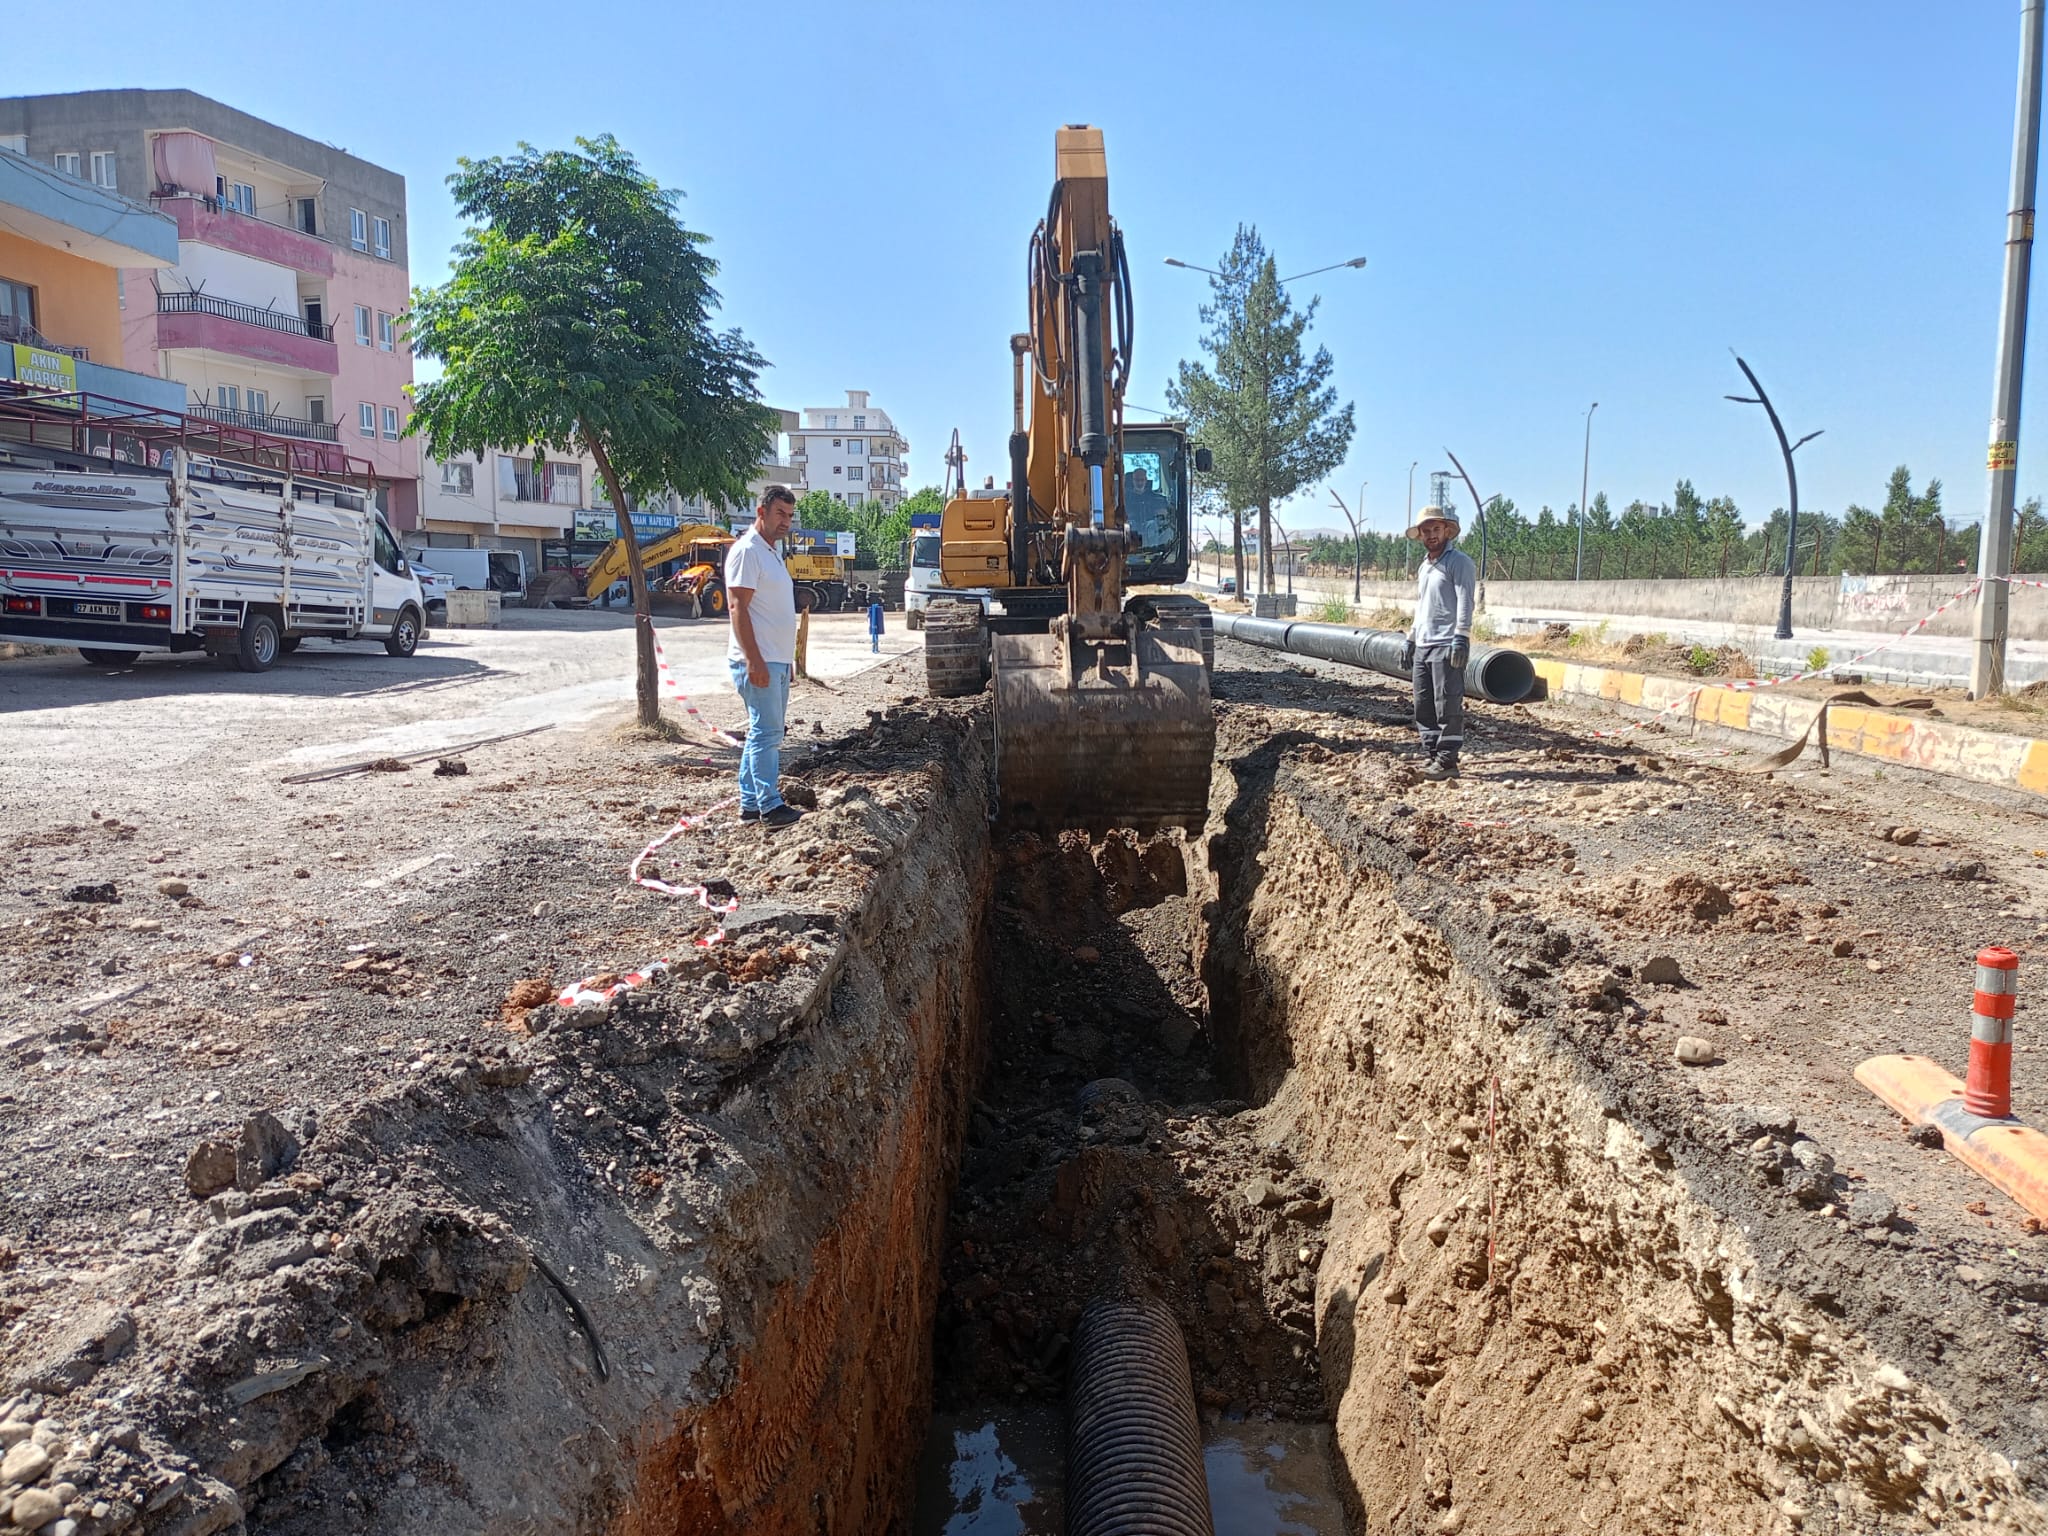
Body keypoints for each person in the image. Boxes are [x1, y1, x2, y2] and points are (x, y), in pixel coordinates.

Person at [727, 485, 803, 829]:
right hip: (758, 660)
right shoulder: (748, 551)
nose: (785, 521)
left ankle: (749, 803)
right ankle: (770, 807)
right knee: (767, 733)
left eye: (789, 515)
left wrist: (785, 660)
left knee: (765, 731)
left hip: (775, 659)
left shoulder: (771, 552)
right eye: (779, 514)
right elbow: (737, 607)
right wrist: (754, 660)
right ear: (761, 512)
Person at [1400, 508, 1477, 781]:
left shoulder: (1458, 562)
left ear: (1447, 531)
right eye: (1427, 530)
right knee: (1424, 703)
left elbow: (1466, 600)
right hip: (1423, 643)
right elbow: (1422, 607)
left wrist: (1462, 636)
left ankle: (1447, 760)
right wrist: (1410, 638)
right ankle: (1432, 754)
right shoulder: (1425, 566)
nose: (1432, 535)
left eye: (1437, 529)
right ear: (1420, 535)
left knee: (1447, 702)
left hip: (1446, 642)